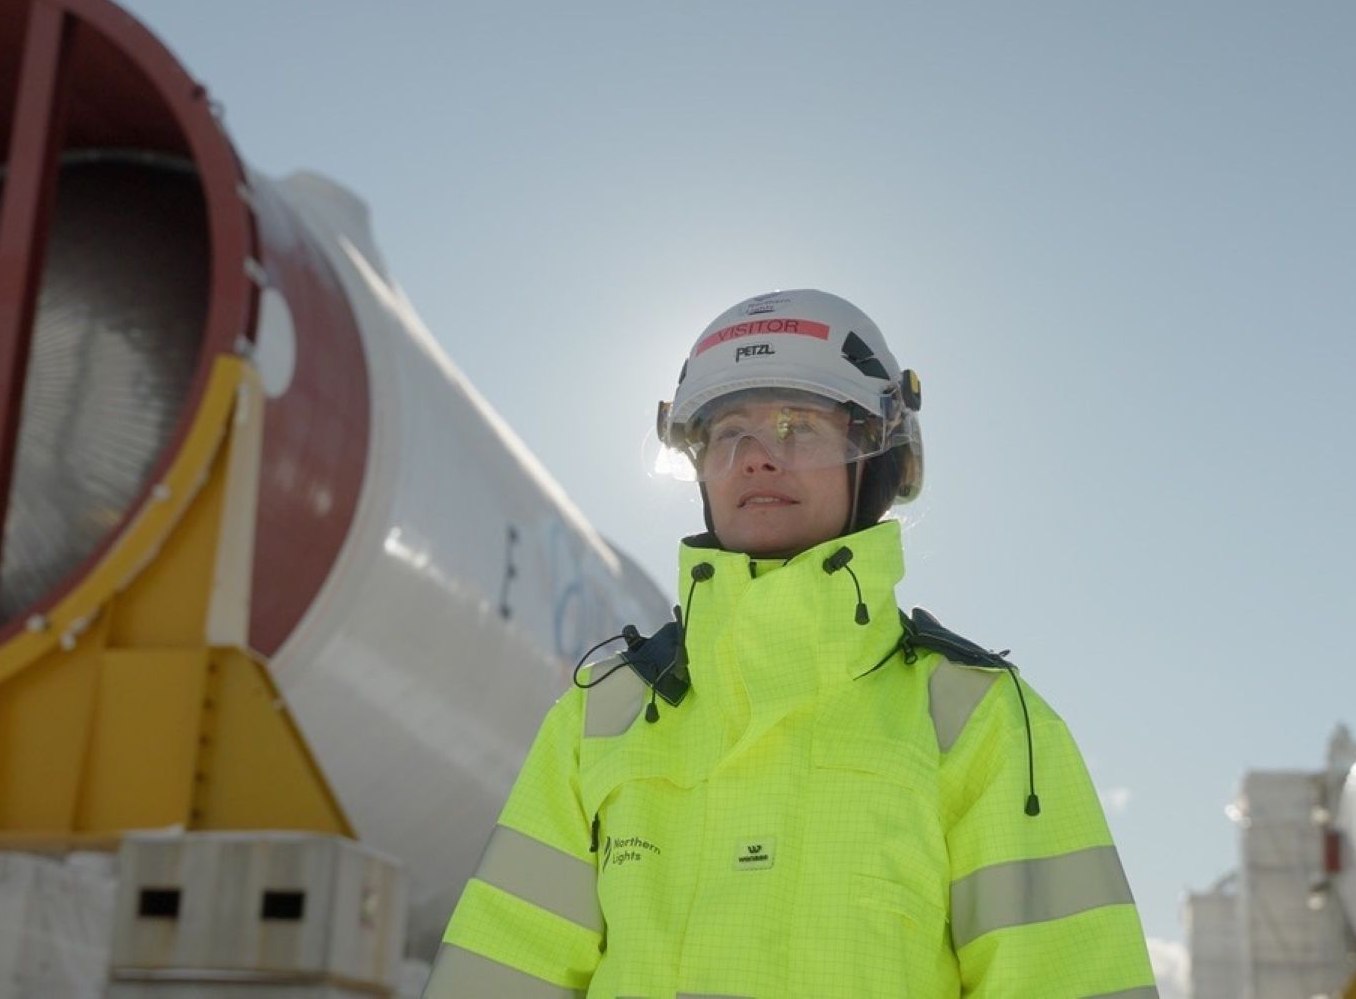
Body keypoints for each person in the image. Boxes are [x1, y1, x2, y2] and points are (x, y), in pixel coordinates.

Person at [424, 290, 1156, 997]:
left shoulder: (982, 723)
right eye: (724, 433)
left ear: (877, 458)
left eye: (796, 426)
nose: (754, 458)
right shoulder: (598, 719)